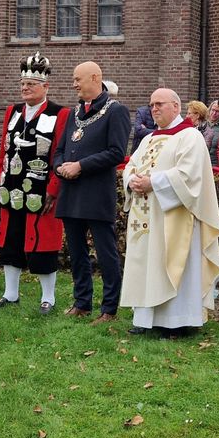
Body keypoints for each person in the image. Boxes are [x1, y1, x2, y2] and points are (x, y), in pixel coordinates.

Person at [121, 89, 219, 338]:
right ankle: (145, 318)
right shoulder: (149, 138)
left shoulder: (190, 137)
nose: (154, 109)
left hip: (175, 216)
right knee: (146, 263)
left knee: (172, 263)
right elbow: (131, 165)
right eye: (151, 104)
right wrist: (132, 180)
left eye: (159, 104)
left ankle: (176, 321)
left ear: (176, 107)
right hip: (146, 215)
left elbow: (189, 175)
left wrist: (153, 183)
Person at [54, 61, 132, 324]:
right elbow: (61, 149)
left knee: (105, 253)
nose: (74, 83)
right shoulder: (74, 112)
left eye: (78, 79)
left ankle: (109, 309)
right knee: (76, 253)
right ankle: (82, 302)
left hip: (96, 194)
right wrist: (60, 167)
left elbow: (116, 152)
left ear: (95, 77)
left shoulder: (116, 111)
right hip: (71, 192)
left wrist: (80, 166)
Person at [0, 53, 71, 314]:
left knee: (42, 246)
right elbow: (3, 149)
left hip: (41, 191)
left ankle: (47, 297)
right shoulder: (12, 112)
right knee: (10, 243)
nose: (25, 88)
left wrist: (53, 189)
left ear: (45, 86)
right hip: (11, 187)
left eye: (31, 84)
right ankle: (10, 294)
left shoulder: (60, 114)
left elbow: (61, 155)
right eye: (23, 84)